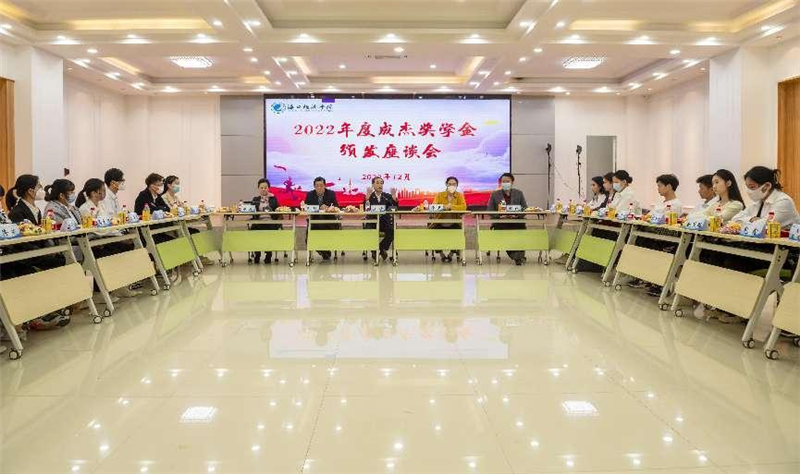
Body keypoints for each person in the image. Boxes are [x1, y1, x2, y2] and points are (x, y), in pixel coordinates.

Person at [4, 175, 70, 330]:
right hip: (26, 255)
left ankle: (52, 306)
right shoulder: (17, 212)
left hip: (37, 251)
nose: (41, 189)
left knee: (61, 259)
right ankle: (40, 312)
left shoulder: (36, 210)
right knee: (55, 262)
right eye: (39, 186)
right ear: (30, 191)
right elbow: (21, 241)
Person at [731, 166, 800, 229]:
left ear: (767, 186)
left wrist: (752, 220)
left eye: (752, 187)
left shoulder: (784, 201)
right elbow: (735, 220)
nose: (748, 191)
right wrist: (752, 219)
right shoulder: (759, 201)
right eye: (747, 187)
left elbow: (765, 225)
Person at [486, 172, 528, 265]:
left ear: (512, 182)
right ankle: (518, 257)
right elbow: (490, 210)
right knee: (506, 232)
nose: (505, 183)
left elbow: (525, 208)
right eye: (503, 181)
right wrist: (499, 216)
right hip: (501, 223)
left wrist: (517, 215)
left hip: (516, 222)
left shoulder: (519, 193)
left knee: (519, 230)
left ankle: (518, 256)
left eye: (507, 181)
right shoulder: (495, 194)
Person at [432, 176, 467, 262]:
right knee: (434, 233)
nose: (452, 186)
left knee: (458, 233)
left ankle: (451, 254)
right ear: (446, 184)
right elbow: (433, 207)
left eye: (454, 184)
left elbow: (463, 207)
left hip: (455, 223)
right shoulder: (440, 195)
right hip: (439, 222)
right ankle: (441, 254)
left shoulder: (459, 195)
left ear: (457, 185)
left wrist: (451, 207)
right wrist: (444, 207)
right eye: (450, 184)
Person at [304, 177, 339, 260]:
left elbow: (336, 206)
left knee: (321, 226)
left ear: (325, 186)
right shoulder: (310, 194)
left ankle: (323, 250)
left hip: (329, 222)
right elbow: (306, 208)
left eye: (321, 185)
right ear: (314, 186)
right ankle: (324, 251)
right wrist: (319, 208)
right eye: (317, 186)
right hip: (314, 222)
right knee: (312, 233)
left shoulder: (331, 193)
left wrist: (329, 208)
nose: (319, 187)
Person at [364, 176, 397, 262]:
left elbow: (394, 208)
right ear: (373, 185)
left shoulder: (387, 196)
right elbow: (365, 209)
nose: (380, 185)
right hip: (372, 222)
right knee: (369, 231)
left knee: (392, 230)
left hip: (384, 222)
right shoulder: (369, 196)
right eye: (377, 183)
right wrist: (367, 199)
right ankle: (375, 250)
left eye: (381, 183)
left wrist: (394, 198)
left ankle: (380, 248)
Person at [250, 178, 282, 264]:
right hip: (258, 222)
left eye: (265, 187)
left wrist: (276, 209)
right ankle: (257, 254)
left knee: (270, 230)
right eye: (261, 188)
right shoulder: (255, 199)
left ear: (268, 188)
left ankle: (268, 254)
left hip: (271, 221)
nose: (263, 189)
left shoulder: (273, 198)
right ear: (258, 188)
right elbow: (251, 211)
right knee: (255, 229)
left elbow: (278, 209)